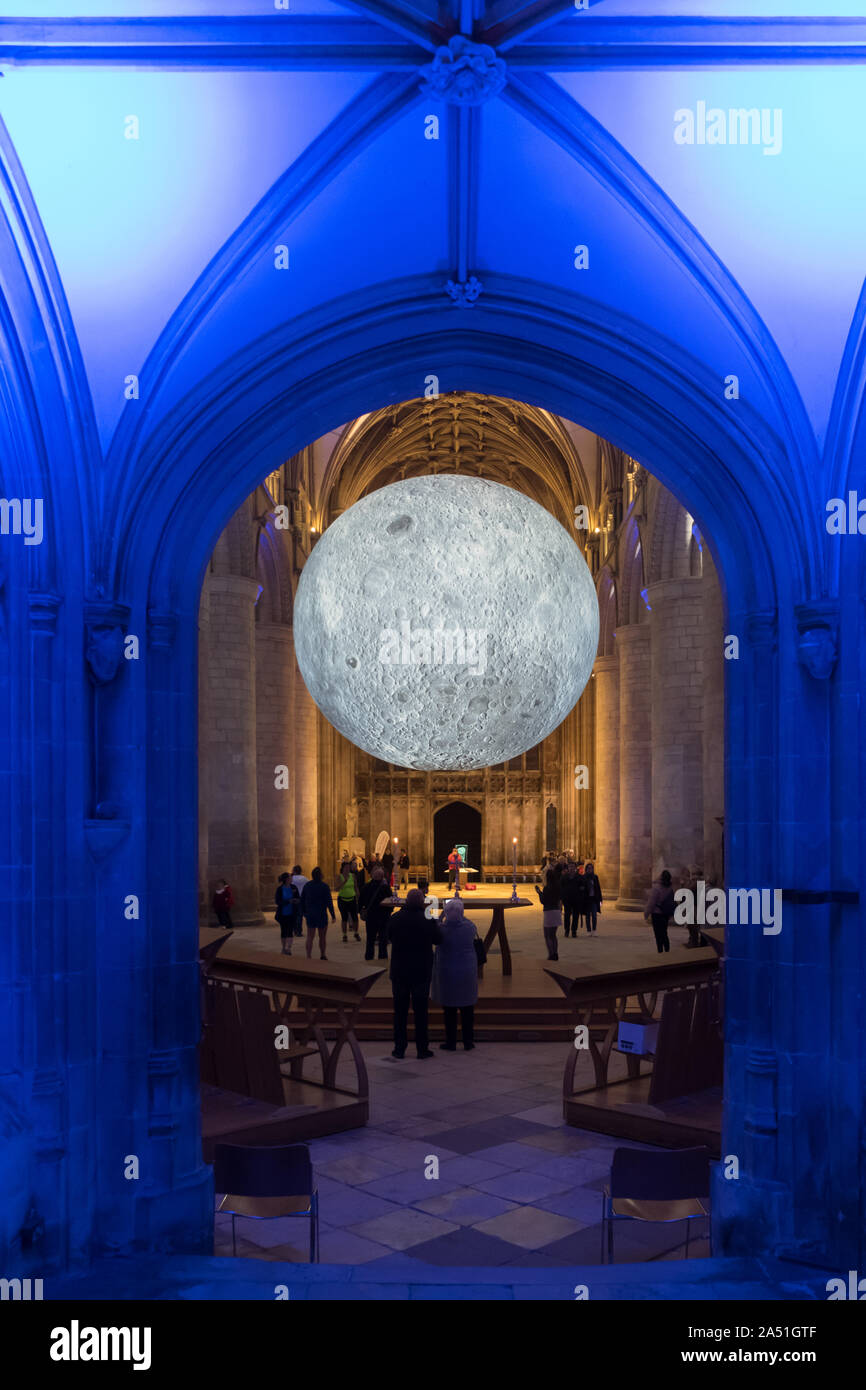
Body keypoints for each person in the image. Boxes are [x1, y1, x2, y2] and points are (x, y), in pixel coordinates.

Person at [387, 888, 440, 1059]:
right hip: (421, 971)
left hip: (400, 971)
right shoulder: (428, 919)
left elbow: (387, 937)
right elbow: (439, 939)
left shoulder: (395, 918)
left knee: (400, 1013)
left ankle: (399, 1049)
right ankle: (422, 1049)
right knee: (421, 1013)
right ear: (421, 902)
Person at [432, 898, 479, 1051]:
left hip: (447, 971)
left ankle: (451, 1042)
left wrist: (442, 916)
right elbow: (465, 919)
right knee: (467, 1010)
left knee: (449, 1011)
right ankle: (468, 1042)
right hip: (466, 971)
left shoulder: (441, 929)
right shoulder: (470, 927)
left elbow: (436, 927)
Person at [360, 865, 395, 961]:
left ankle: (369, 958)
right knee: (383, 940)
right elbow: (391, 902)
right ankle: (382, 958)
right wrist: (389, 912)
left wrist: (362, 910)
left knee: (370, 939)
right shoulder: (386, 888)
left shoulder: (366, 887)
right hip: (383, 918)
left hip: (371, 918)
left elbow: (360, 902)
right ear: (382, 877)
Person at [300, 867, 335, 960]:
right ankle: (323, 954)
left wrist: (303, 912)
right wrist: (333, 915)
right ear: (321, 876)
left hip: (311, 914)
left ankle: (308, 956)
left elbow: (302, 900)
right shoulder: (325, 886)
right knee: (322, 937)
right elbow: (329, 902)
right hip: (321, 914)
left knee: (310, 936)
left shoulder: (307, 885)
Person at [644, 870, 676, 954]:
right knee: (664, 932)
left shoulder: (656, 888)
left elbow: (651, 903)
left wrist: (646, 914)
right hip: (665, 913)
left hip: (657, 913)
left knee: (658, 934)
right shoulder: (670, 888)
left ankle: (660, 952)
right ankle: (667, 950)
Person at [536, 867, 562, 960]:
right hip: (556, 911)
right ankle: (556, 953)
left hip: (549, 911)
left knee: (547, 935)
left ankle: (551, 954)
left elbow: (544, 901)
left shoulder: (547, 888)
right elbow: (559, 899)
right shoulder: (558, 886)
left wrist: (539, 892)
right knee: (554, 935)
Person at [336, 858, 361, 944]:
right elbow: (337, 888)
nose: (347, 869)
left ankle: (356, 933)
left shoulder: (353, 876)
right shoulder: (340, 876)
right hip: (342, 899)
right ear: (342, 868)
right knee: (344, 918)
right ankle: (344, 935)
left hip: (352, 898)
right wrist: (344, 882)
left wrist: (358, 894)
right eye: (346, 867)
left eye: (348, 867)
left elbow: (356, 886)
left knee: (355, 917)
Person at [274, 872, 300, 954]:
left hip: (292, 913)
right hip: (283, 914)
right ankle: (283, 947)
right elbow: (278, 901)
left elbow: (298, 897)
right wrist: (288, 901)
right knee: (284, 931)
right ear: (286, 879)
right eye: (290, 877)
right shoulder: (280, 889)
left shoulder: (294, 887)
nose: (292, 878)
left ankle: (289, 948)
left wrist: (296, 900)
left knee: (290, 931)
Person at [560, 861, 585, 938]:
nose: (571, 868)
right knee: (567, 915)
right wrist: (561, 898)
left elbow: (583, 887)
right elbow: (561, 888)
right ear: (568, 868)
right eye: (570, 867)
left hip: (576, 899)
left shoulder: (579, 877)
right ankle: (567, 930)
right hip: (567, 899)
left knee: (576, 916)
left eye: (573, 867)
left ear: (575, 868)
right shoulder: (564, 877)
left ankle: (574, 931)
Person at [583, 862, 603, 934]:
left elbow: (598, 888)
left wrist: (600, 899)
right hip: (587, 899)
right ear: (586, 869)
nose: (590, 870)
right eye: (588, 868)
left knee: (594, 915)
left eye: (591, 868)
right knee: (588, 916)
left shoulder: (595, 877)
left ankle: (594, 930)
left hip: (594, 899)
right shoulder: (584, 877)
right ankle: (589, 930)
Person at [290, 865, 308, 938]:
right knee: (300, 915)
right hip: (302, 898)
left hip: (294, 898)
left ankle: (294, 929)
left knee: (293, 914)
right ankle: (299, 931)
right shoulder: (305, 879)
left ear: (294, 871)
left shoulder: (292, 878)